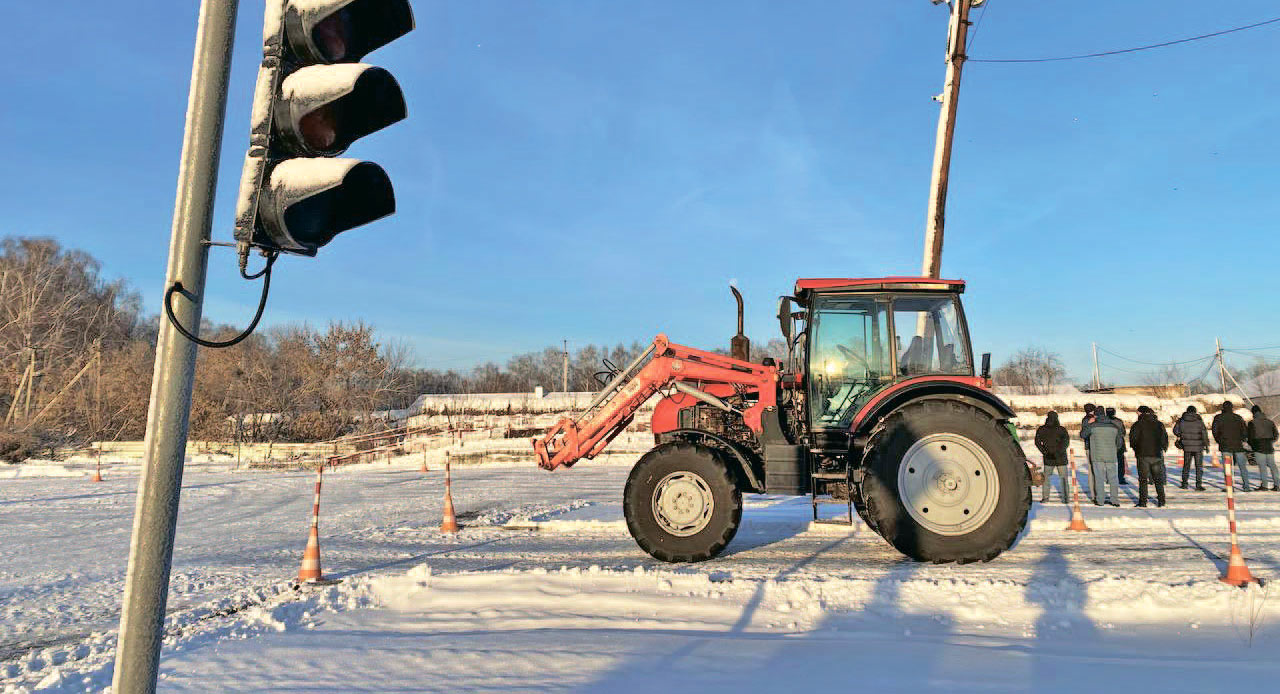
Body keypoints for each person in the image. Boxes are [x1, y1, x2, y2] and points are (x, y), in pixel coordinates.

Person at [1129, 405, 1169, 507]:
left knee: (1143, 480)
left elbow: (1133, 440)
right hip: (1156, 454)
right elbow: (1164, 438)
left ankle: (1143, 502)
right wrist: (1162, 448)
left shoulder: (1137, 425)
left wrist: (1136, 449)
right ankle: (1161, 501)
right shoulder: (1159, 424)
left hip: (1142, 455)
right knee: (1158, 479)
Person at [1082, 408, 1122, 506]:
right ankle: (1115, 500)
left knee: (1099, 478)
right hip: (1111, 455)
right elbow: (1119, 442)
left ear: (1095, 416)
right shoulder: (1114, 427)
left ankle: (1100, 500)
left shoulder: (1092, 426)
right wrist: (1114, 450)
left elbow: (1083, 434)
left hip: (1097, 455)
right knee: (1113, 478)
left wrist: (1088, 424)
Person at [1211, 401, 1252, 492]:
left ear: (1223, 408)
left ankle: (1229, 486)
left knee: (1227, 467)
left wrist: (1219, 440)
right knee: (1242, 467)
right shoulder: (1238, 418)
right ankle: (1246, 486)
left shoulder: (1218, 418)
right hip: (1238, 445)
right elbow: (1245, 431)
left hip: (1225, 445)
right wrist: (1242, 440)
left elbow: (1215, 431)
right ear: (1232, 407)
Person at [1035, 411, 1070, 503]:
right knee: (1063, 478)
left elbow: (1037, 442)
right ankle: (1066, 498)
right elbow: (1066, 442)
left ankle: (1045, 497)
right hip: (1061, 457)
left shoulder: (1042, 429)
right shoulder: (1061, 429)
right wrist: (1058, 452)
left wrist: (1045, 452)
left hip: (1048, 457)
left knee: (1046, 479)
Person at [1173, 405, 1208, 490]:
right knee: (1198, 466)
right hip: (1198, 447)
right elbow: (1204, 434)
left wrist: (1181, 435)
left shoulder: (1182, 421)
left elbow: (1175, 431)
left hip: (1186, 446)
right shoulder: (1199, 421)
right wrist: (1206, 445)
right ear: (1195, 411)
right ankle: (1198, 485)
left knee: (1186, 465)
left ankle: (1184, 484)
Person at [1247, 405, 1279, 492]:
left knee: (1262, 467)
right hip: (1269, 447)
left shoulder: (1252, 423)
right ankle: (1277, 485)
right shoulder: (1270, 422)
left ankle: (1264, 485)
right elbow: (1276, 434)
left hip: (1258, 447)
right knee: (1273, 467)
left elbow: (1250, 437)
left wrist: (1253, 446)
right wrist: (1270, 441)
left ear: (1253, 413)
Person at [1107, 406, 1128, 484]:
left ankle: (1110, 478)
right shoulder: (1119, 421)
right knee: (1120, 463)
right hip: (1119, 444)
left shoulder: (1104, 422)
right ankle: (1121, 478)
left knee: (1109, 463)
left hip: (1108, 445)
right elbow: (1123, 433)